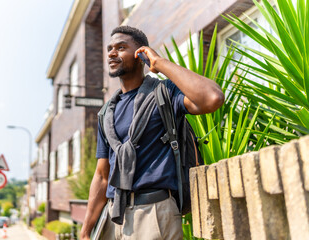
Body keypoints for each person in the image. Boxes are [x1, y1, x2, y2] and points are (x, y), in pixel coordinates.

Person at [80, 26, 224, 240]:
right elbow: (102, 176)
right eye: (110, 48)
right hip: (113, 217)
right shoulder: (106, 113)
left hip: (153, 213)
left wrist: (159, 64)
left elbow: (212, 98)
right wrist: (85, 230)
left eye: (121, 48)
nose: (111, 53)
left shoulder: (164, 93)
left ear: (141, 54)